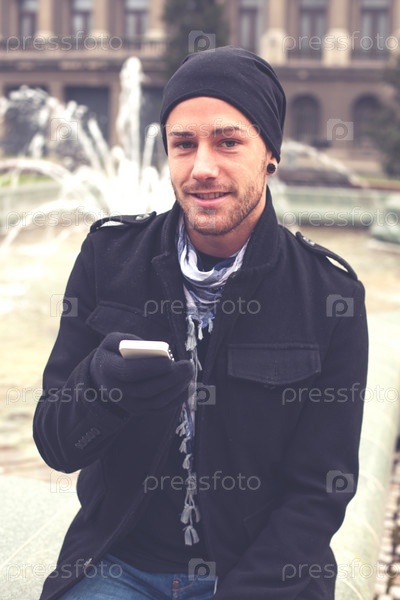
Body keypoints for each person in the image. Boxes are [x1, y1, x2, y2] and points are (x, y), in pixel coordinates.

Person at [33, 46, 368, 600]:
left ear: (271, 155)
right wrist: (102, 389)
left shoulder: (330, 295)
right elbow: (56, 445)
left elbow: (320, 493)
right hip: (120, 563)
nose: (202, 167)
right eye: (183, 144)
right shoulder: (108, 258)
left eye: (228, 142)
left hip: (258, 576)